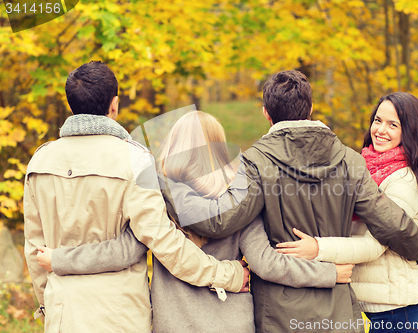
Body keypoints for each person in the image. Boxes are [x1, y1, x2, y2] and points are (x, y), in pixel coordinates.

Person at [164, 70, 418, 333]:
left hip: (281, 314)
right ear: (311, 107)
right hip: (336, 308)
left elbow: (219, 221)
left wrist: (164, 180)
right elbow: (390, 222)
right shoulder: (350, 160)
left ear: (266, 113)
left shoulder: (256, 163)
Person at [36, 111, 353, 332]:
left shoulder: (156, 198)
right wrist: (329, 273)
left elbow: (124, 251)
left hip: (173, 324)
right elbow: (267, 263)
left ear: (173, 145)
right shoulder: (242, 198)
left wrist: (59, 258)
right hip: (233, 323)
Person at [24, 61, 249, 333]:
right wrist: (227, 275)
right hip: (120, 316)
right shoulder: (135, 160)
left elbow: (34, 250)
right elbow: (165, 242)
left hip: (62, 314)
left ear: (71, 104)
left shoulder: (40, 160)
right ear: (115, 104)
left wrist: (49, 303)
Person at [276, 92, 418, 333]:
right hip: (379, 306)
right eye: (377, 120)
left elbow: (374, 246)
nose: (381, 130)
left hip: (399, 311)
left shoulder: (403, 181)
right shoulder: (364, 166)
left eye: (393, 125)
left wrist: (318, 248)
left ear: (410, 131)